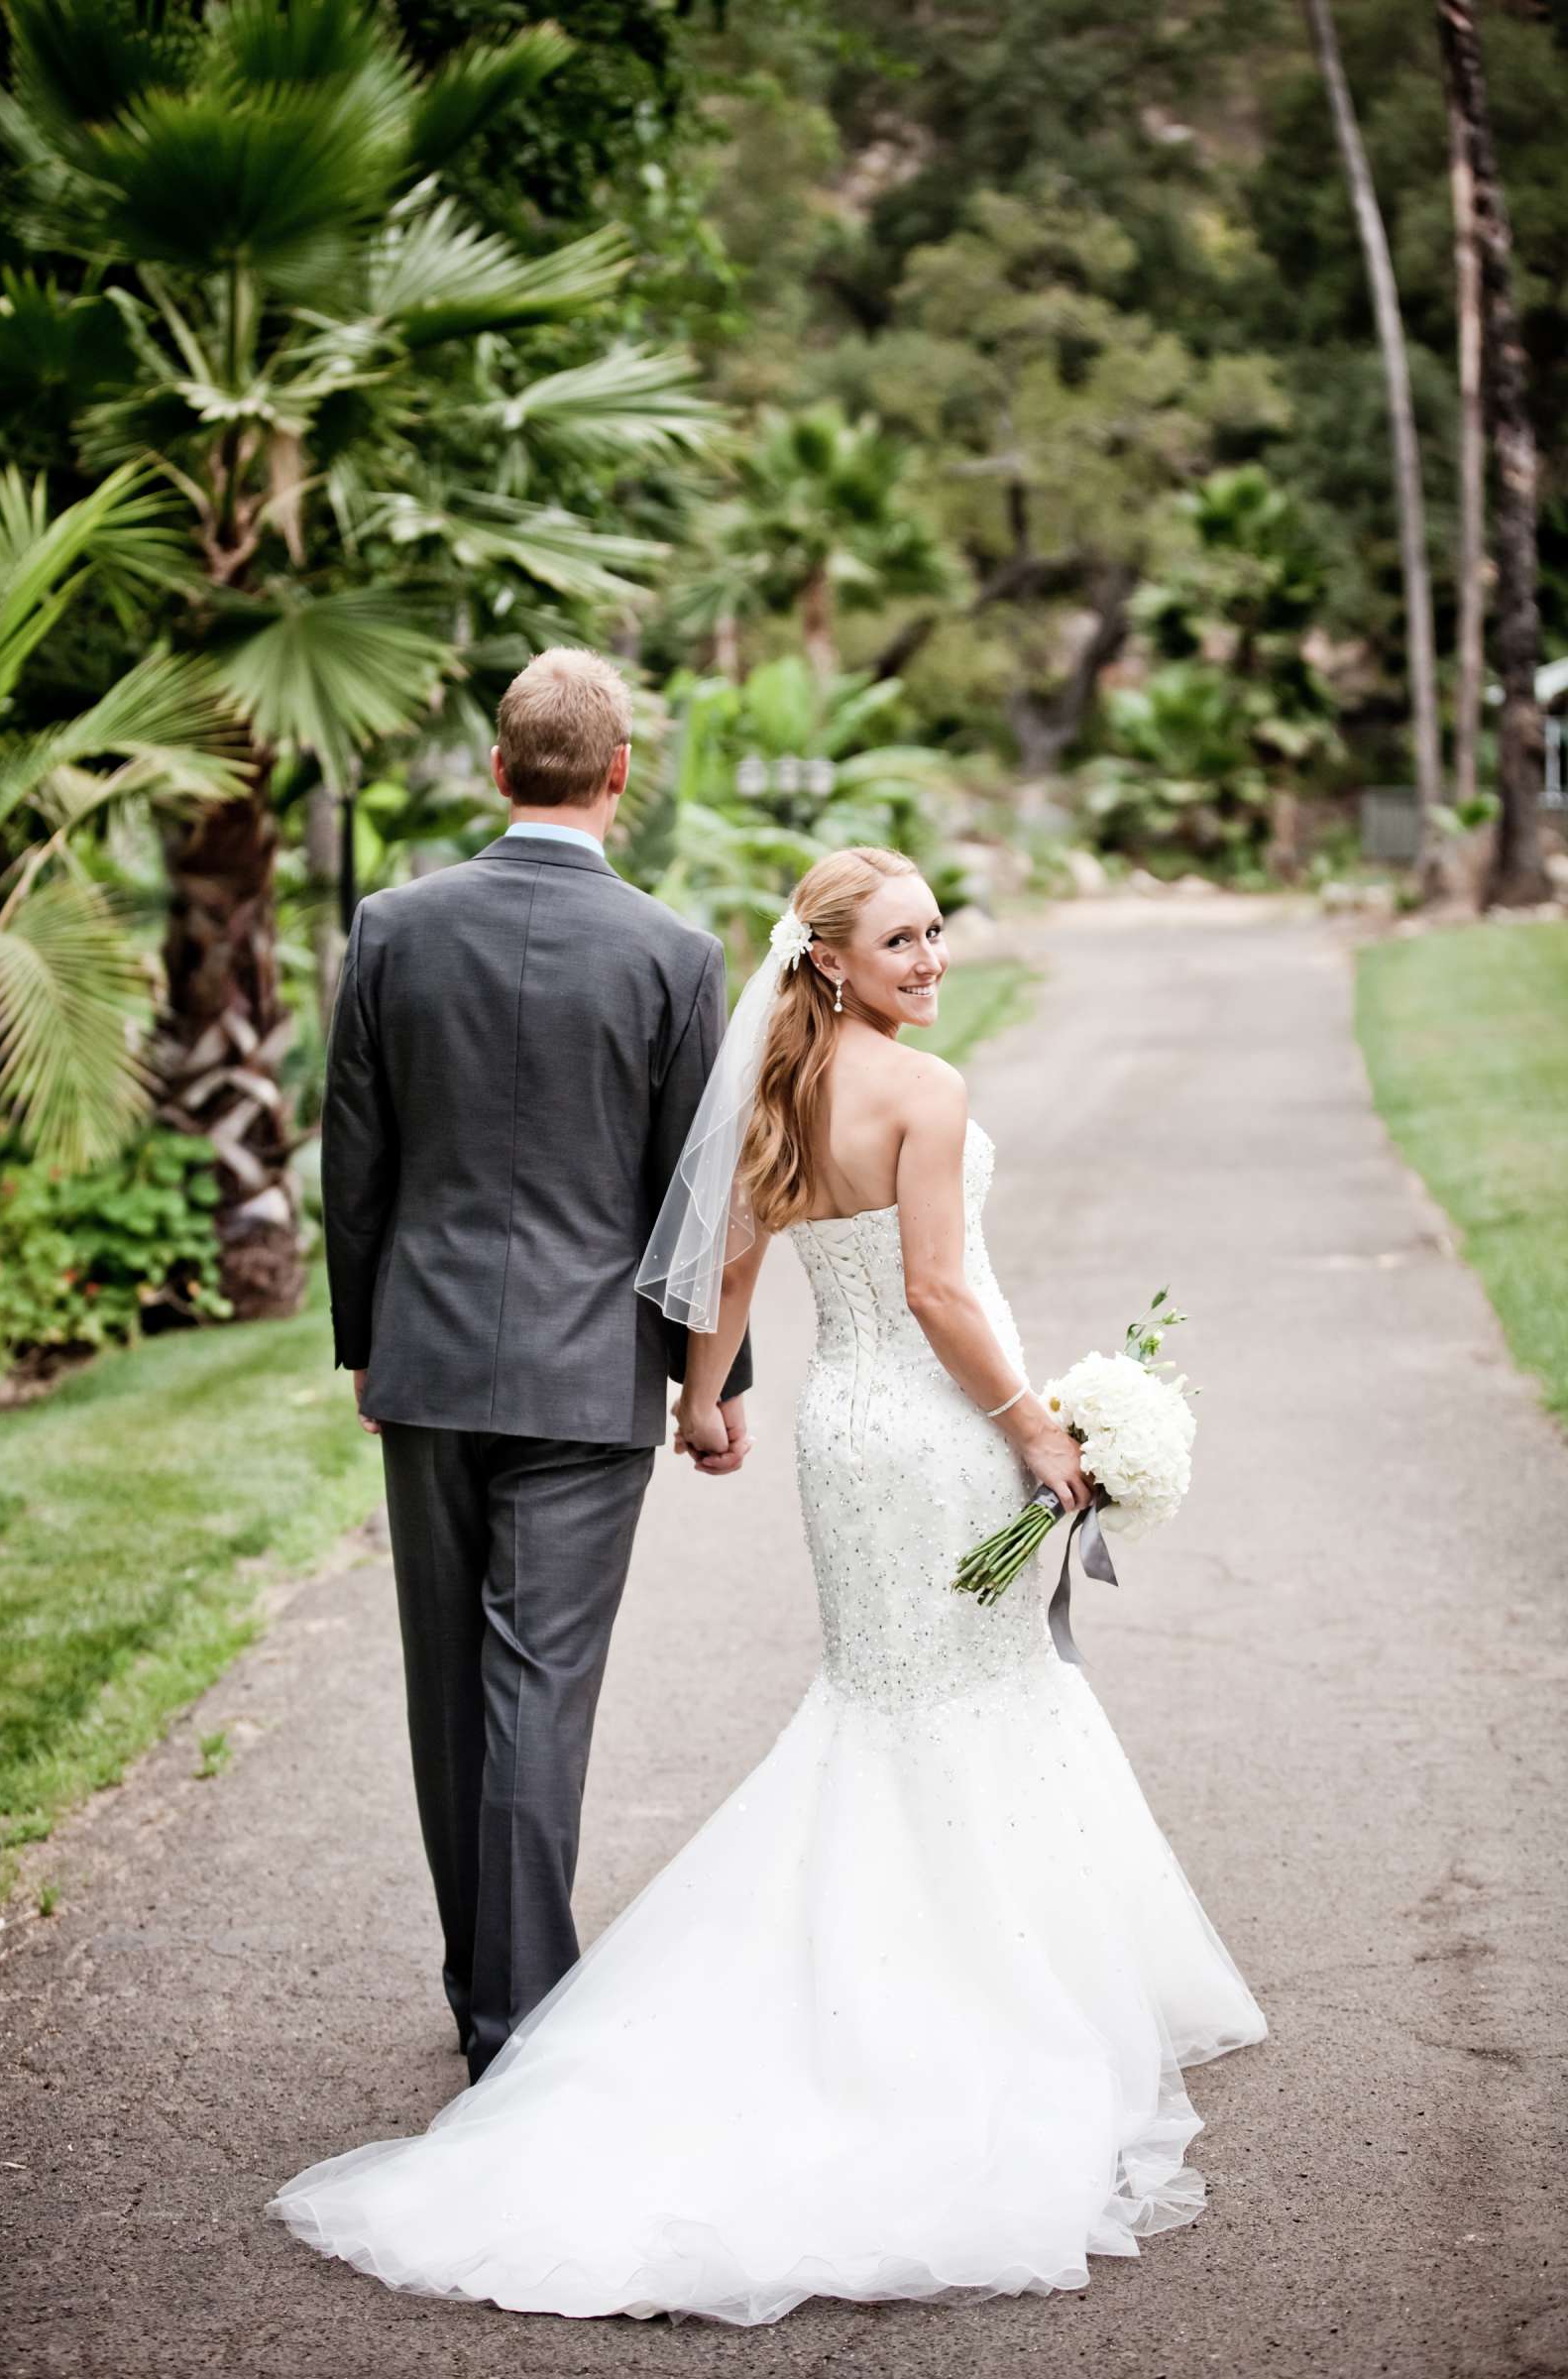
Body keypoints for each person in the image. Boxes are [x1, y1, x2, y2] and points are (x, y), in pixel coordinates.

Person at [276, 843, 1267, 2322]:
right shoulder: (925, 1094)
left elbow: (727, 1257)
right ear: (830, 961)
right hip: (933, 1434)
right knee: (966, 1693)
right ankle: (974, 2001)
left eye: (937, 933)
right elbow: (937, 1290)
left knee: (890, 1698)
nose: (931, 959)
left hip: (842, 1435)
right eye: (900, 943)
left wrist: (702, 1398)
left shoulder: (782, 1088)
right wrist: (1042, 1429)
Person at [316, 645, 751, 2085]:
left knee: (450, 1687)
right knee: (538, 1689)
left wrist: (367, 1344)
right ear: (622, 777)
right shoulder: (675, 955)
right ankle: (520, 2023)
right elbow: (693, 1200)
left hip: (430, 1361)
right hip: (588, 1379)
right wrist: (711, 1391)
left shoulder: (392, 927)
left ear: (498, 769)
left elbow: (356, 1164)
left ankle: (486, 1996)